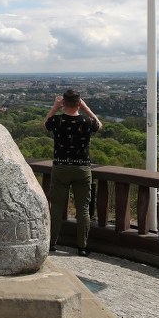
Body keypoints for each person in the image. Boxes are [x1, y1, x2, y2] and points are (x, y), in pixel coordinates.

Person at [44, 89, 102, 257]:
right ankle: (82, 247)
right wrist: (86, 109)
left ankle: (51, 243)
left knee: (56, 207)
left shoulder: (57, 121)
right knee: (83, 208)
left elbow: (46, 125)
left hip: (61, 167)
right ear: (78, 103)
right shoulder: (86, 121)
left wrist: (55, 107)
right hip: (82, 168)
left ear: (64, 103)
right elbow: (99, 126)